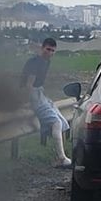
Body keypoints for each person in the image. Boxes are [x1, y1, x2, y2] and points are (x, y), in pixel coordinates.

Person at [21, 38, 72, 168]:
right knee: (56, 122)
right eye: (48, 49)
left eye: (53, 51)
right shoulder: (35, 62)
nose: (50, 53)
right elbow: (29, 85)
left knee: (63, 123)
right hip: (34, 94)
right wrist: (28, 101)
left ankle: (58, 155)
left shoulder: (46, 61)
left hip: (41, 94)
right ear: (42, 48)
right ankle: (61, 158)